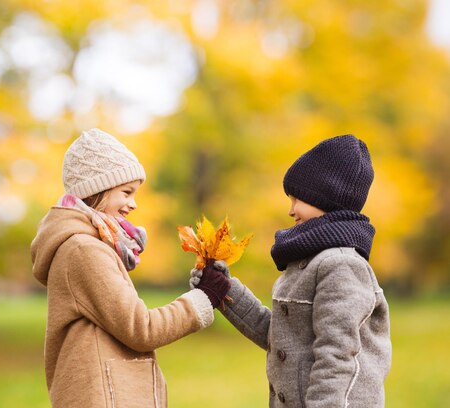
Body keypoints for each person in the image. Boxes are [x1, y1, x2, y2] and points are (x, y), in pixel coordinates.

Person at [31, 128, 230, 407]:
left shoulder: (89, 245)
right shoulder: (84, 250)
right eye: (126, 192)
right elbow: (141, 328)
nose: (133, 204)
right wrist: (203, 299)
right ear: (97, 190)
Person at [192, 134, 391, 407]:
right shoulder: (307, 262)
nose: (291, 210)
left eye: (298, 198)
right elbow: (280, 337)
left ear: (327, 197)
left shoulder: (342, 265)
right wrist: (225, 290)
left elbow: (336, 355)